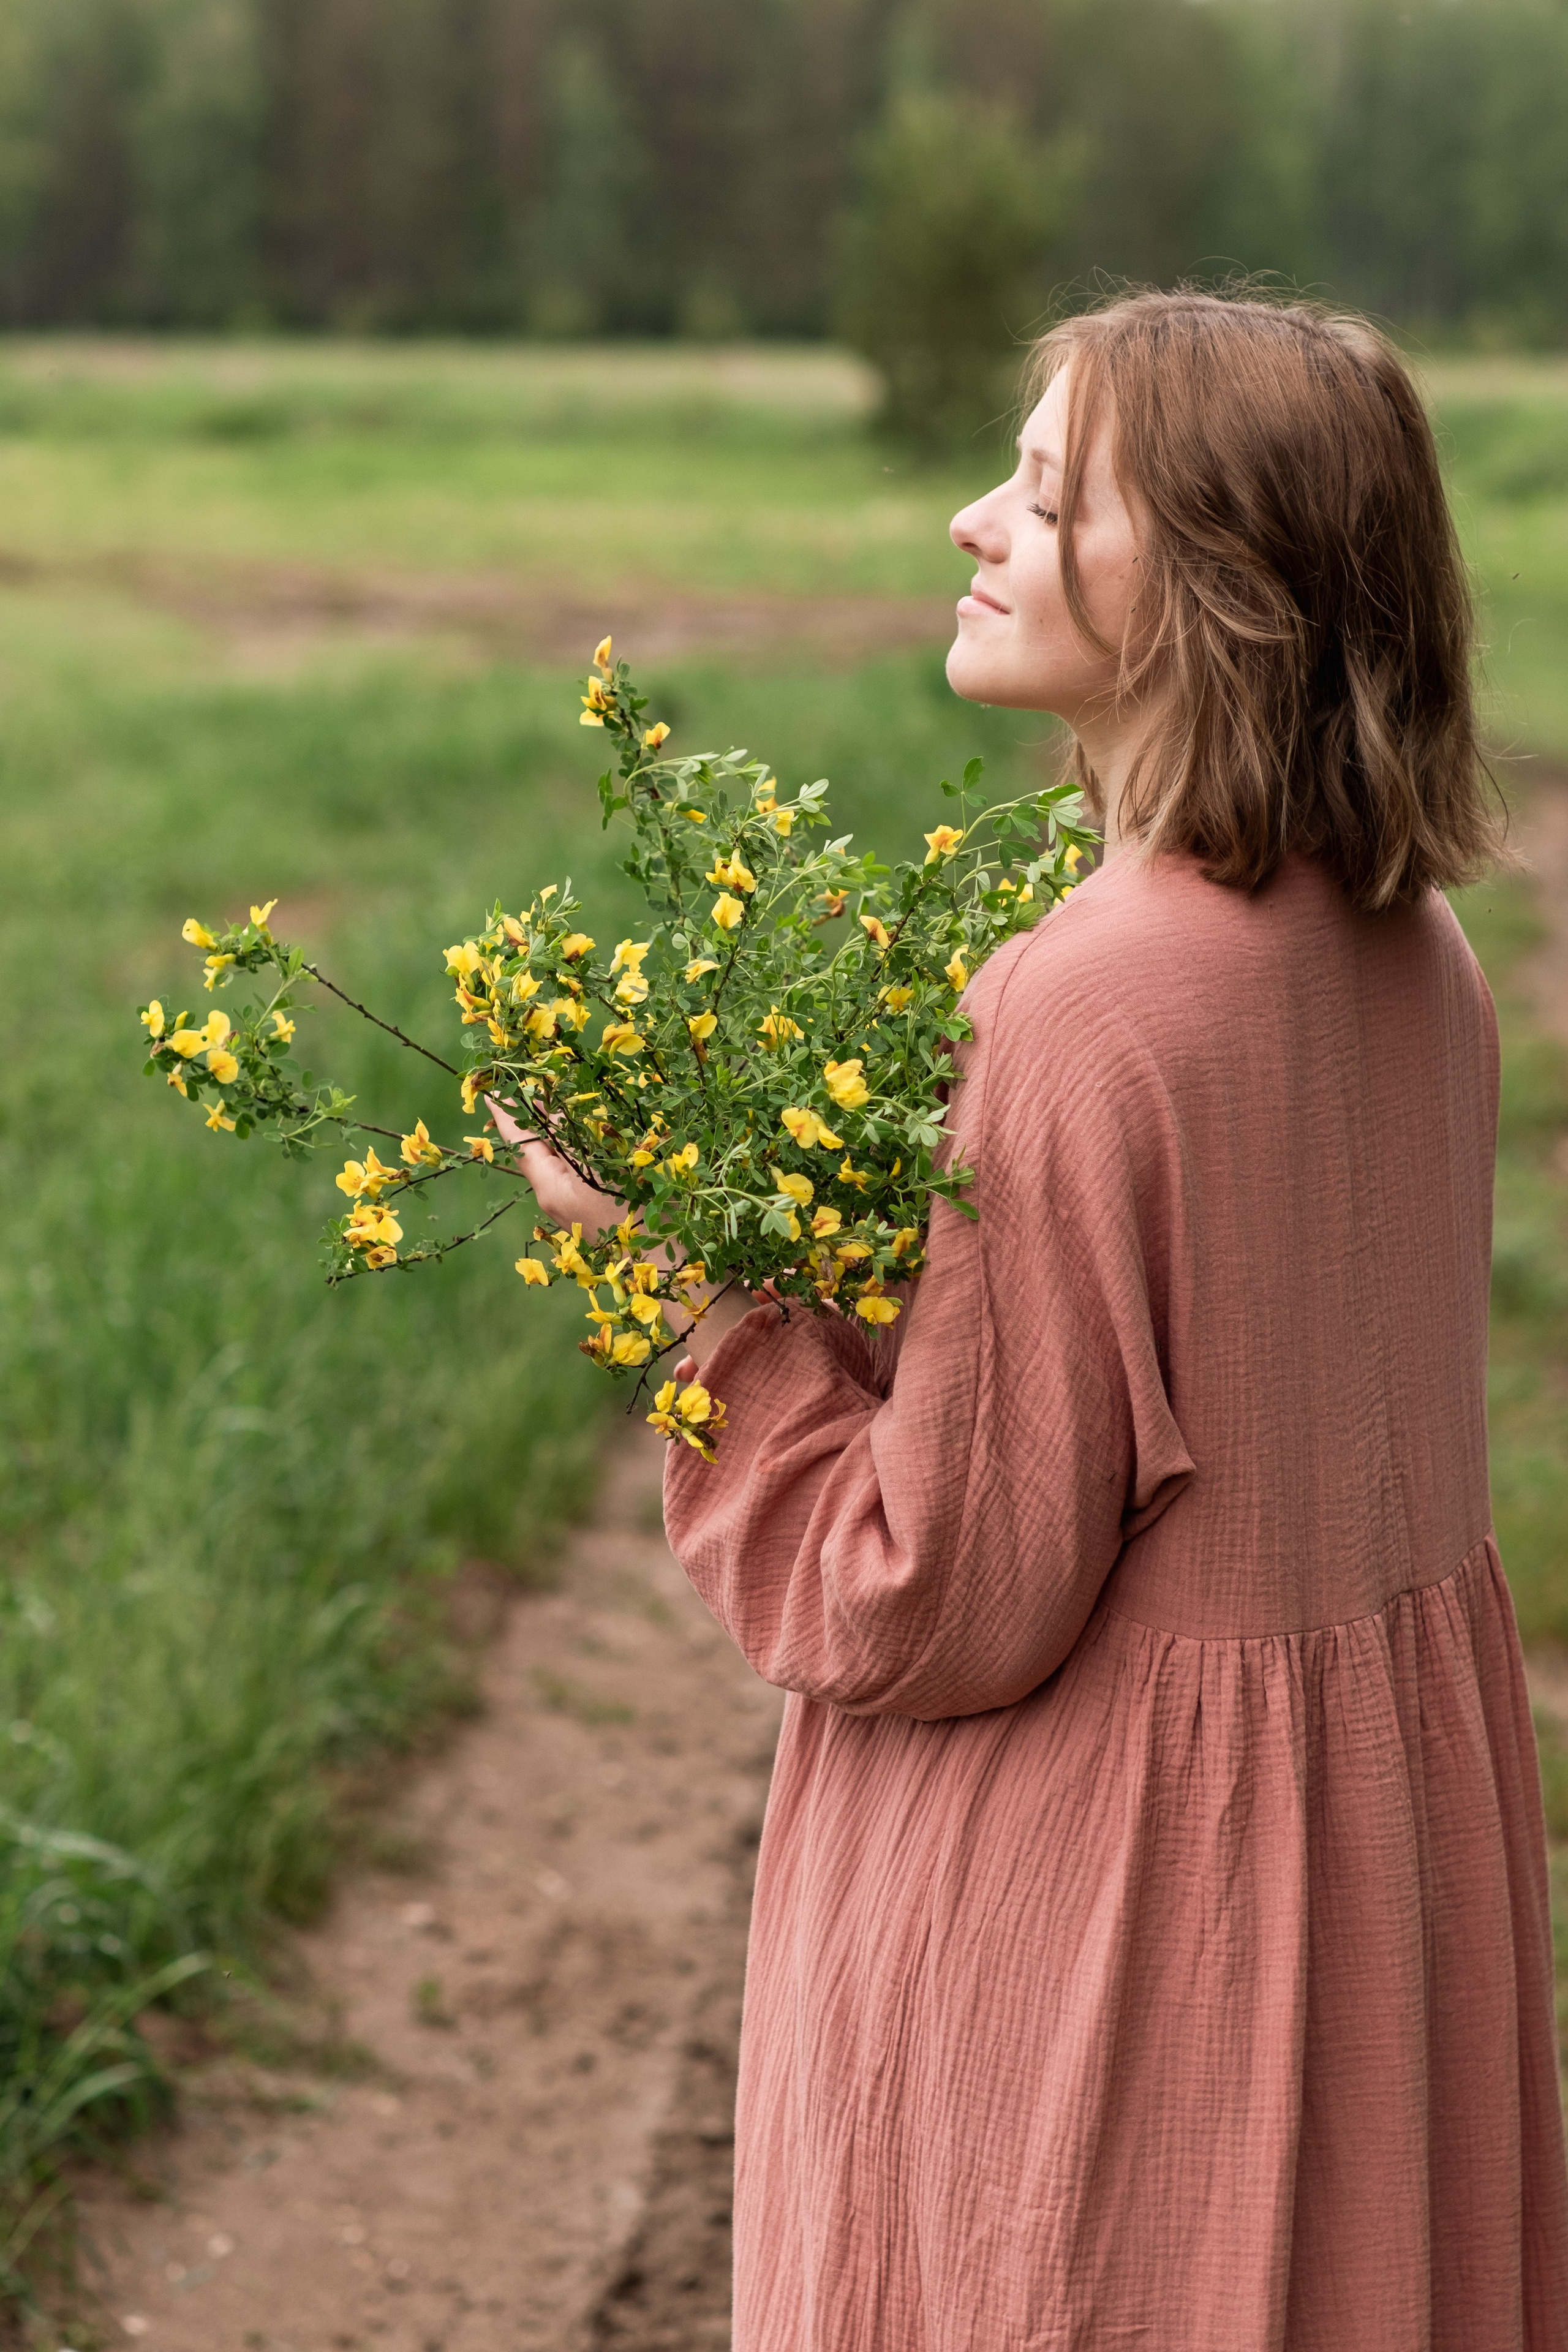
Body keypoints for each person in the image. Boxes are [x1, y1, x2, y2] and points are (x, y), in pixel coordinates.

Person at [513, 290, 1568, 2349]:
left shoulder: (1082, 1010)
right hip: (1368, 1887)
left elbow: (927, 1598)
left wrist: (684, 1286)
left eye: (1048, 491)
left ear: (1217, 589)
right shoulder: (1409, 949)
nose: (970, 523)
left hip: (1116, 1921)